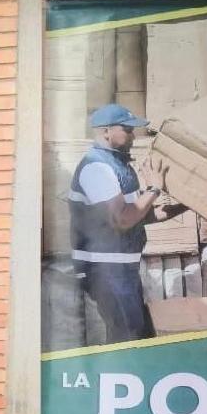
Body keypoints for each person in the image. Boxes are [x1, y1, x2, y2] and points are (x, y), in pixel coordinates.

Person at [70, 103, 190, 345]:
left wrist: (187, 205)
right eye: (127, 129)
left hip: (122, 269)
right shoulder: (98, 168)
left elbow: (139, 215)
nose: (133, 136)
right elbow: (122, 220)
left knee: (137, 335)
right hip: (105, 270)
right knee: (127, 340)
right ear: (106, 132)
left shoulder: (118, 166)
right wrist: (154, 188)